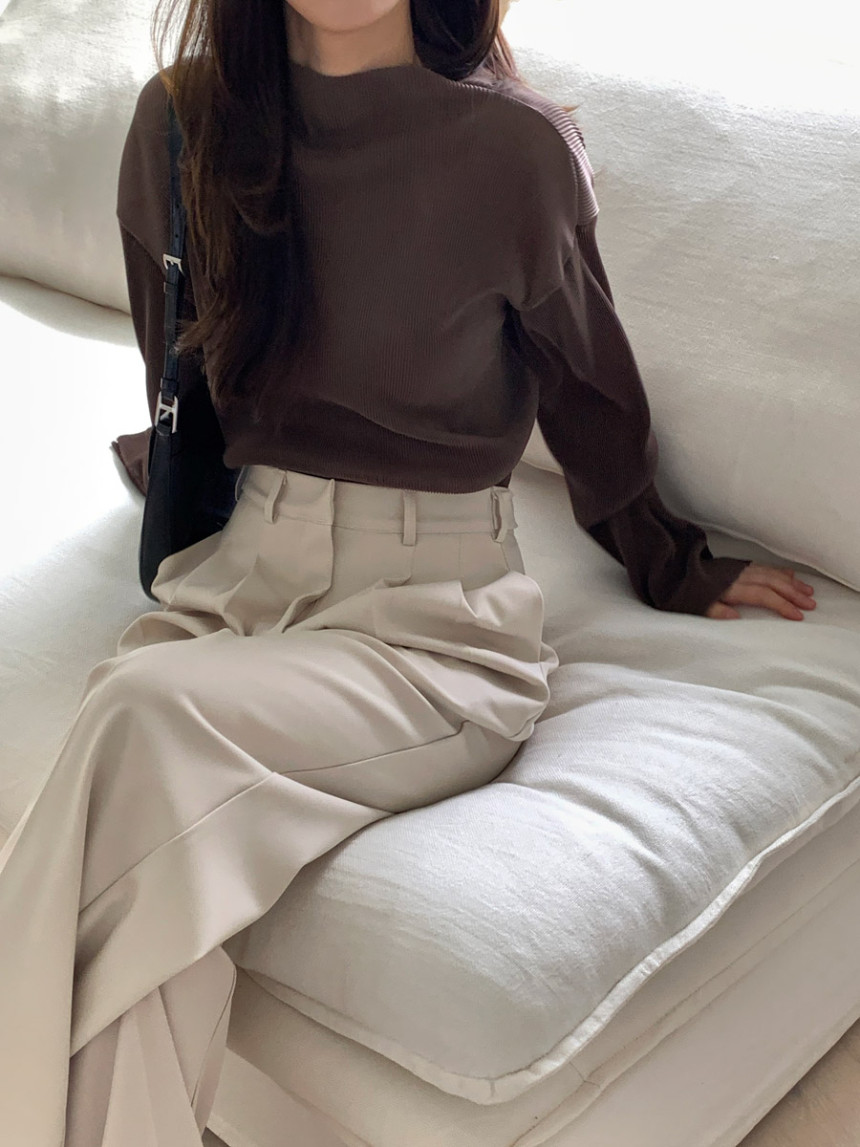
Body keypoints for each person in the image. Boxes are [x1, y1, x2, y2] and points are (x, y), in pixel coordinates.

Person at [0, 1, 818, 1144]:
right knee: (153, 889)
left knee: (137, 712)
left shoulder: (511, 151)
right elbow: (177, 371)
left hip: (433, 626)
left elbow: (587, 387)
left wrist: (670, 561)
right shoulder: (182, 123)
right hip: (237, 583)